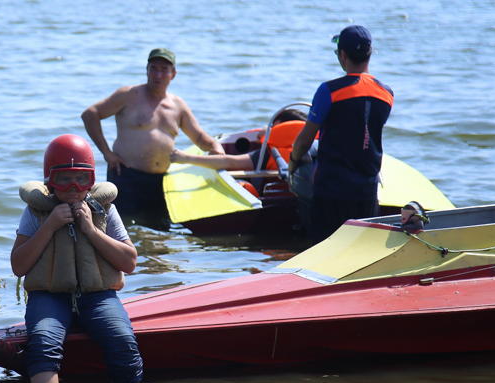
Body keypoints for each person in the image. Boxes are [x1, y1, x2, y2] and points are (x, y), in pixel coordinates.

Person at [10, 134, 143, 383]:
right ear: (50, 182)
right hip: (49, 297)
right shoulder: (36, 212)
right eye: (64, 179)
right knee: (43, 343)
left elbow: (129, 262)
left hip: (98, 296)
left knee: (123, 340)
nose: (74, 187)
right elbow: (18, 266)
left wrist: (91, 230)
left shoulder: (105, 209)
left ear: (91, 180)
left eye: (82, 179)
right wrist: (49, 225)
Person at [81, 48, 224, 218]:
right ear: (147, 70)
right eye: (154, 68)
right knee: (124, 228)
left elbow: (200, 137)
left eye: (164, 70)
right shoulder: (129, 95)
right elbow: (90, 114)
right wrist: (107, 153)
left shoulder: (178, 105)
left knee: (160, 231)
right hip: (126, 177)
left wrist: (215, 146)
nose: (158, 75)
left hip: (162, 182)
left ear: (173, 74)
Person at [288, 25, 394, 244]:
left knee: (324, 255)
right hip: (366, 191)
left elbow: (304, 141)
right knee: (358, 256)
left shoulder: (329, 91)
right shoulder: (386, 93)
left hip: (330, 192)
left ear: (343, 55)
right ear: (370, 52)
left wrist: (292, 162)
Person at [169, 109, 308, 171]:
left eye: (273, 126)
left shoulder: (270, 154)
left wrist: (186, 158)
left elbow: (230, 163)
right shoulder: (314, 149)